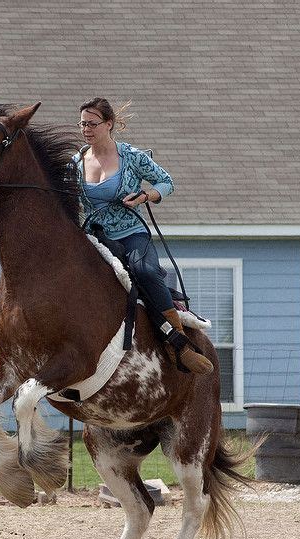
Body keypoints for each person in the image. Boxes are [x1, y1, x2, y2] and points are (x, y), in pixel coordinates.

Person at [73, 97, 213, 375]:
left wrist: (145, 196)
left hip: (130, 234)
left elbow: (167, 182)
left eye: (92, 123)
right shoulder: (74, 163)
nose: (86, 129)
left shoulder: (132, 157)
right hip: (95, 239)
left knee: (145, 272)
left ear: (109, 124)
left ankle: (179, 345)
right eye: (82, 124)